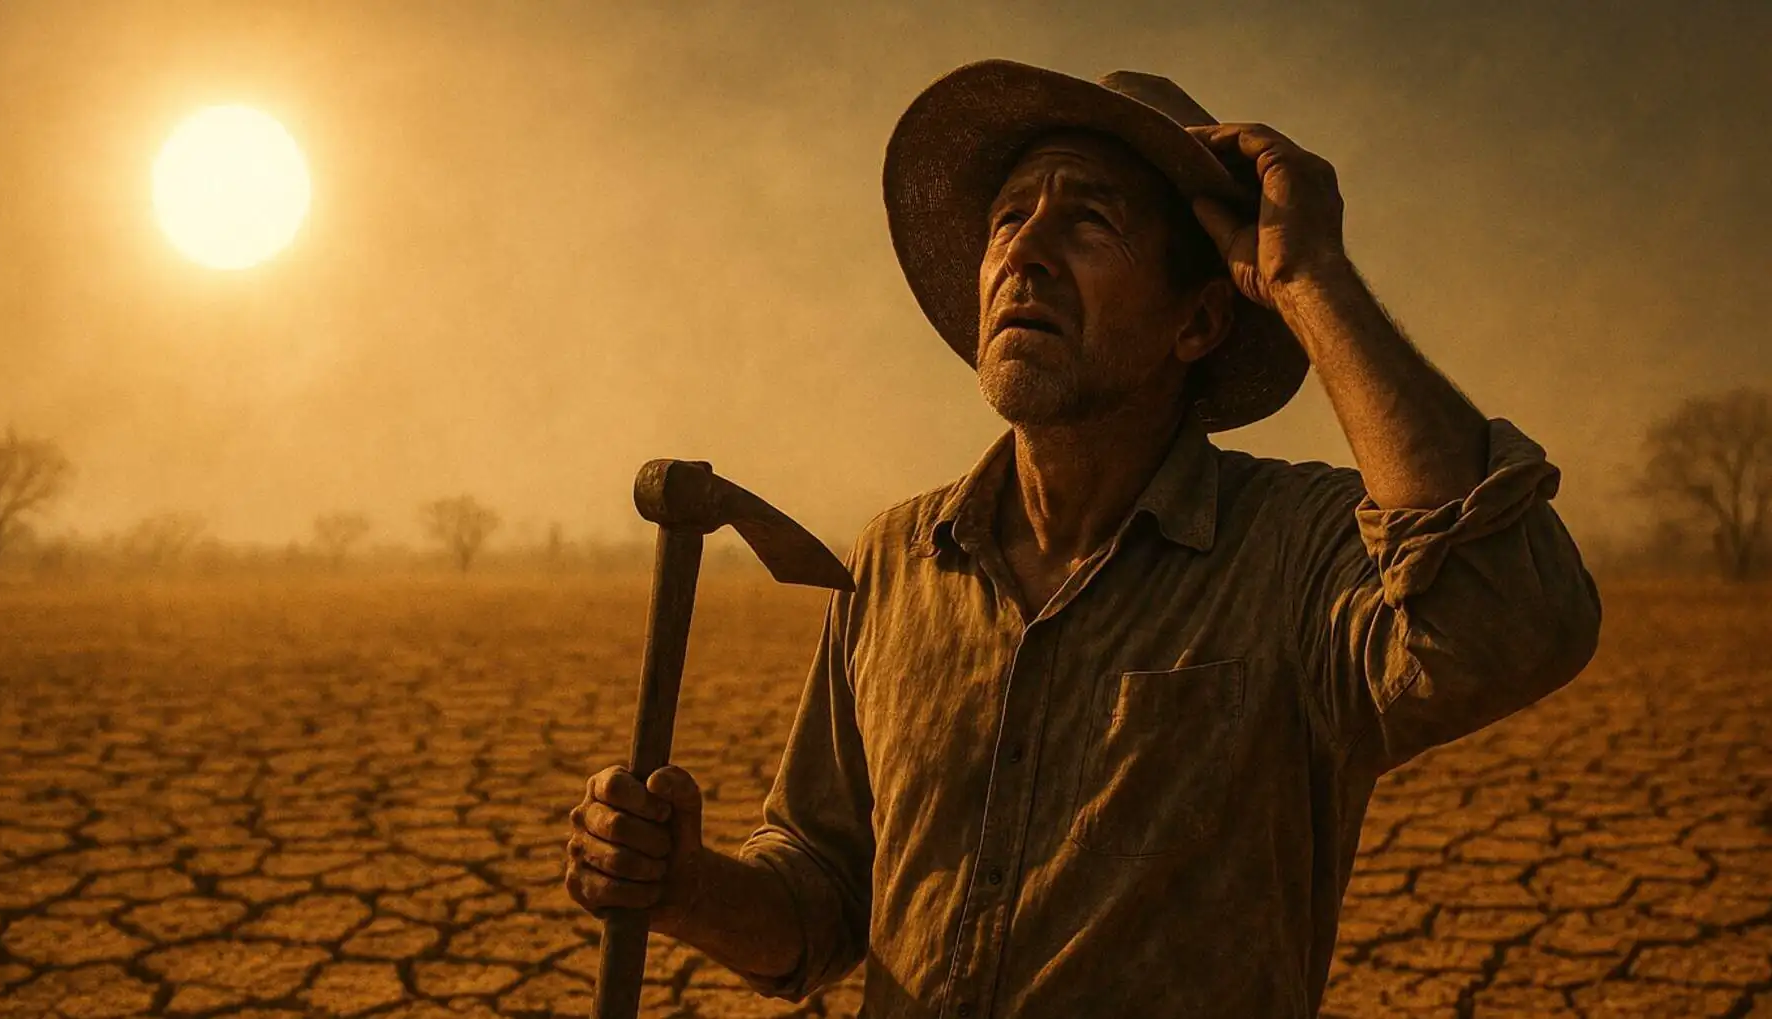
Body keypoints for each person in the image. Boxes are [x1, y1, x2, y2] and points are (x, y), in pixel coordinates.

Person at [564, 60, 1602, 1017]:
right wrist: (686, 885)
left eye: (1089, 222)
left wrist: (1307, 279)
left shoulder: (1295, 553)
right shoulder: (893, 561)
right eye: (1009, 216)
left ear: (1196, 322)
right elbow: (826, 893)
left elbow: (1506, 618)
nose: (1024, 248)